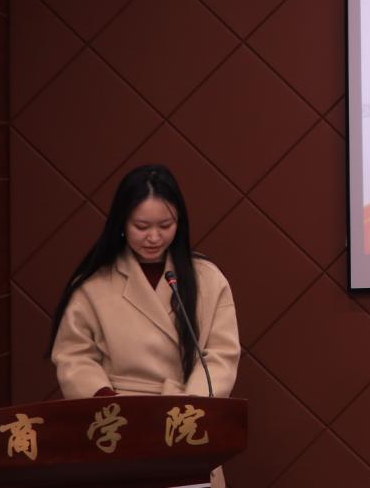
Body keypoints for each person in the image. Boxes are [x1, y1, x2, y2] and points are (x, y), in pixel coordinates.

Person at [49, 164, 239, 488]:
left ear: (180, 222)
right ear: (122, 223)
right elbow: (73, 356)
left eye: (165, 225)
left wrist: (188, 407)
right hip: (120, 426)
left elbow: (221, 354)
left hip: (186, 425)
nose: (153, 237)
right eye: (141, 226)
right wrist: (105, 399)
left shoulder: (208, 279)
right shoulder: (94, 285)